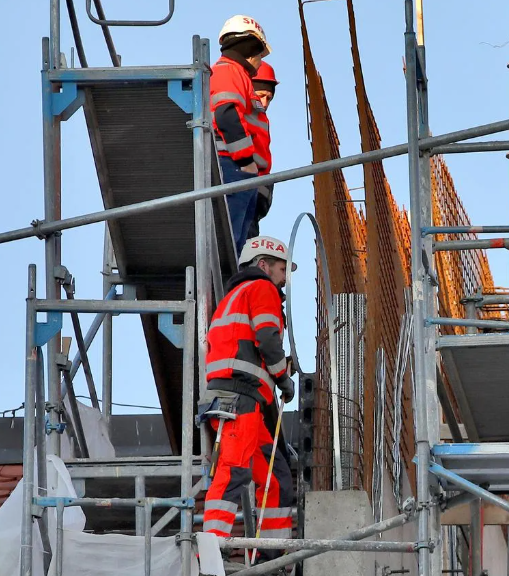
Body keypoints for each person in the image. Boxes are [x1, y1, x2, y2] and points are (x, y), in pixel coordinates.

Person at [201, 236, 296, 562]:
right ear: (263, 264)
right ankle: (208, 557)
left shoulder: (232, 298)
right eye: (282, 269)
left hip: (241, 400)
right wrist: (282, 376)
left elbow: (245, 347)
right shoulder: (261, 289)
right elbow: (267, 338)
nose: (284, 279)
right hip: (239, 401)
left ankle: (273, 558)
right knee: (232, 473)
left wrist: (275, 372)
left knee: (276, 477)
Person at [211, 15, 272, 256]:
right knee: (230, 244)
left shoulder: (237, 76)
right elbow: (227, 115)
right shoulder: (229, 72)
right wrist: (246, 161)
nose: (260, 61)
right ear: (251, 48)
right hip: (235, 167)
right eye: (260, 54)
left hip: (242, 172)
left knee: (238, 247)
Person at [247, 61, 279, 240]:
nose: (265, 103)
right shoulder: (240, 113)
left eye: (270, 98)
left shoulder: (262, 119)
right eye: (261, 95)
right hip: (243, 186)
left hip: (257, 194)